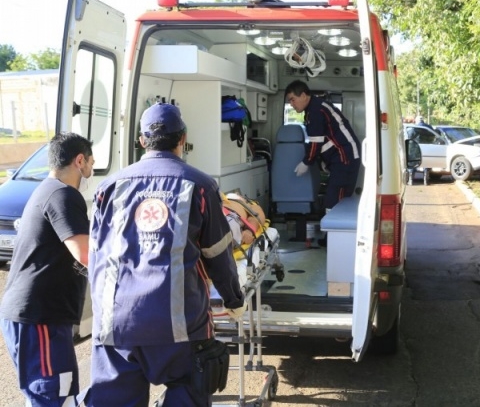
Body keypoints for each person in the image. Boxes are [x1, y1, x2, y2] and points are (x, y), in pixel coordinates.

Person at [87, 103, 245, 406]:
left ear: (142, 140)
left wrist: (103, 311)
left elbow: (96, 256)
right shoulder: (199, 185)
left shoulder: (108, 187)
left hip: (117, 324)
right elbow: (217, 253)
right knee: (187, 393)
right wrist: (234, 299)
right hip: (178, 324)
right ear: (182, 139)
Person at [0, 132, 94, 407]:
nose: (91, 167)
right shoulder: (63, 195)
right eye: (91, 161)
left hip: (36, 315)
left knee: (56, 395)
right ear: (80, 160)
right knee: (53, 395)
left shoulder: (46, 190)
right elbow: (85, 253)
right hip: (39, 316)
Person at [284, 81, 361, 245]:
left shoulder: (316, 110)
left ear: (304, 95)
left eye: (292, 99)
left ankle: (335, 240)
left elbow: (315, 143)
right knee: (336, 198)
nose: (291, 104)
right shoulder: (315, 108)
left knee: (335, 199)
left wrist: (307, 162)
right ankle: (333, 238)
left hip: (344, 157)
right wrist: (324, 162)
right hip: (341, 157)